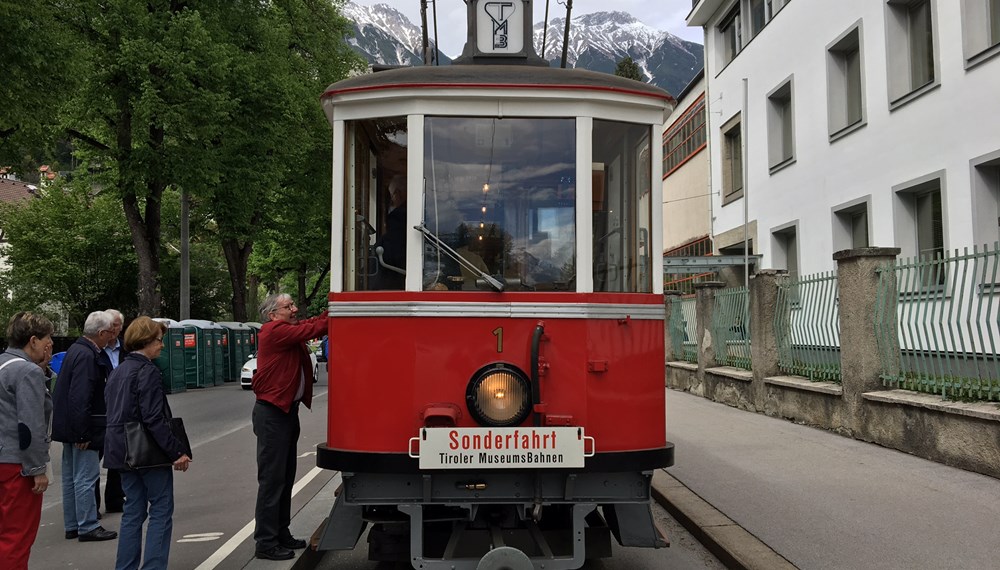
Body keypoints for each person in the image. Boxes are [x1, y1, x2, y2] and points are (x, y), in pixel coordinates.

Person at [104, 317, 191, 570]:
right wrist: (177, 451)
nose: (161, 346)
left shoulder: (118, 371)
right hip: (147, 452)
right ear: (146, 341)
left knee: (133, 512)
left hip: (121, 452)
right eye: (158, 341)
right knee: (161, 510)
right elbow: (154, 418)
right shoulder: (148, 371)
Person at [252, 293, 326, 560]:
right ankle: (266, 542)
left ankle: (280, 533)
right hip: (273, 415)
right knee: (273, 480)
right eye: (289, 306)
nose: (295, 309)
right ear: (273, 314)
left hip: (283, 412)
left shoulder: (284, 329)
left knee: (283, 478)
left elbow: (311, 322)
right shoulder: (274, 331)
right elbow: (313, 327)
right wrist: (337, 311)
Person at [52, 310, 119, 542]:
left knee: (71, 477)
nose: (113, 336)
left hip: (68, 426)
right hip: (84, 427)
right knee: (86, 477)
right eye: (111, 332)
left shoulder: (75, 351)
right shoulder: (89, 356)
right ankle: (88, 525)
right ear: (101, 333)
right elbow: (81, 397)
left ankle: (73, 524)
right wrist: (83, 431)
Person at [0, 312, 54, 569]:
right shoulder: (27, 371)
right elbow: (30, 425)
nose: (49, 345)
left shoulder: (3, 364)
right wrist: (37, 469)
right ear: (33, 340)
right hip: (16, 465)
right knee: (17, 537)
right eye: (46, 339)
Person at [99, 308, 126, 514]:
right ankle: (91, 507)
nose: (114, 329)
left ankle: (115, 499)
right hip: (101, 410)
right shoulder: (96, 350)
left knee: (118, 455)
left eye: (117, 325)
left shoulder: (125, 349)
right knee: (94, 461)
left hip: (120, 408)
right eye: (111, 325)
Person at [370, 174, 407, 290]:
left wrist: (376, 248)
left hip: (396, 279)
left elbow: (393, 252)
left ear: (397, 193)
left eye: (391, 196)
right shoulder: (423, 214)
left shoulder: (397, 217)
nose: (392, 200)